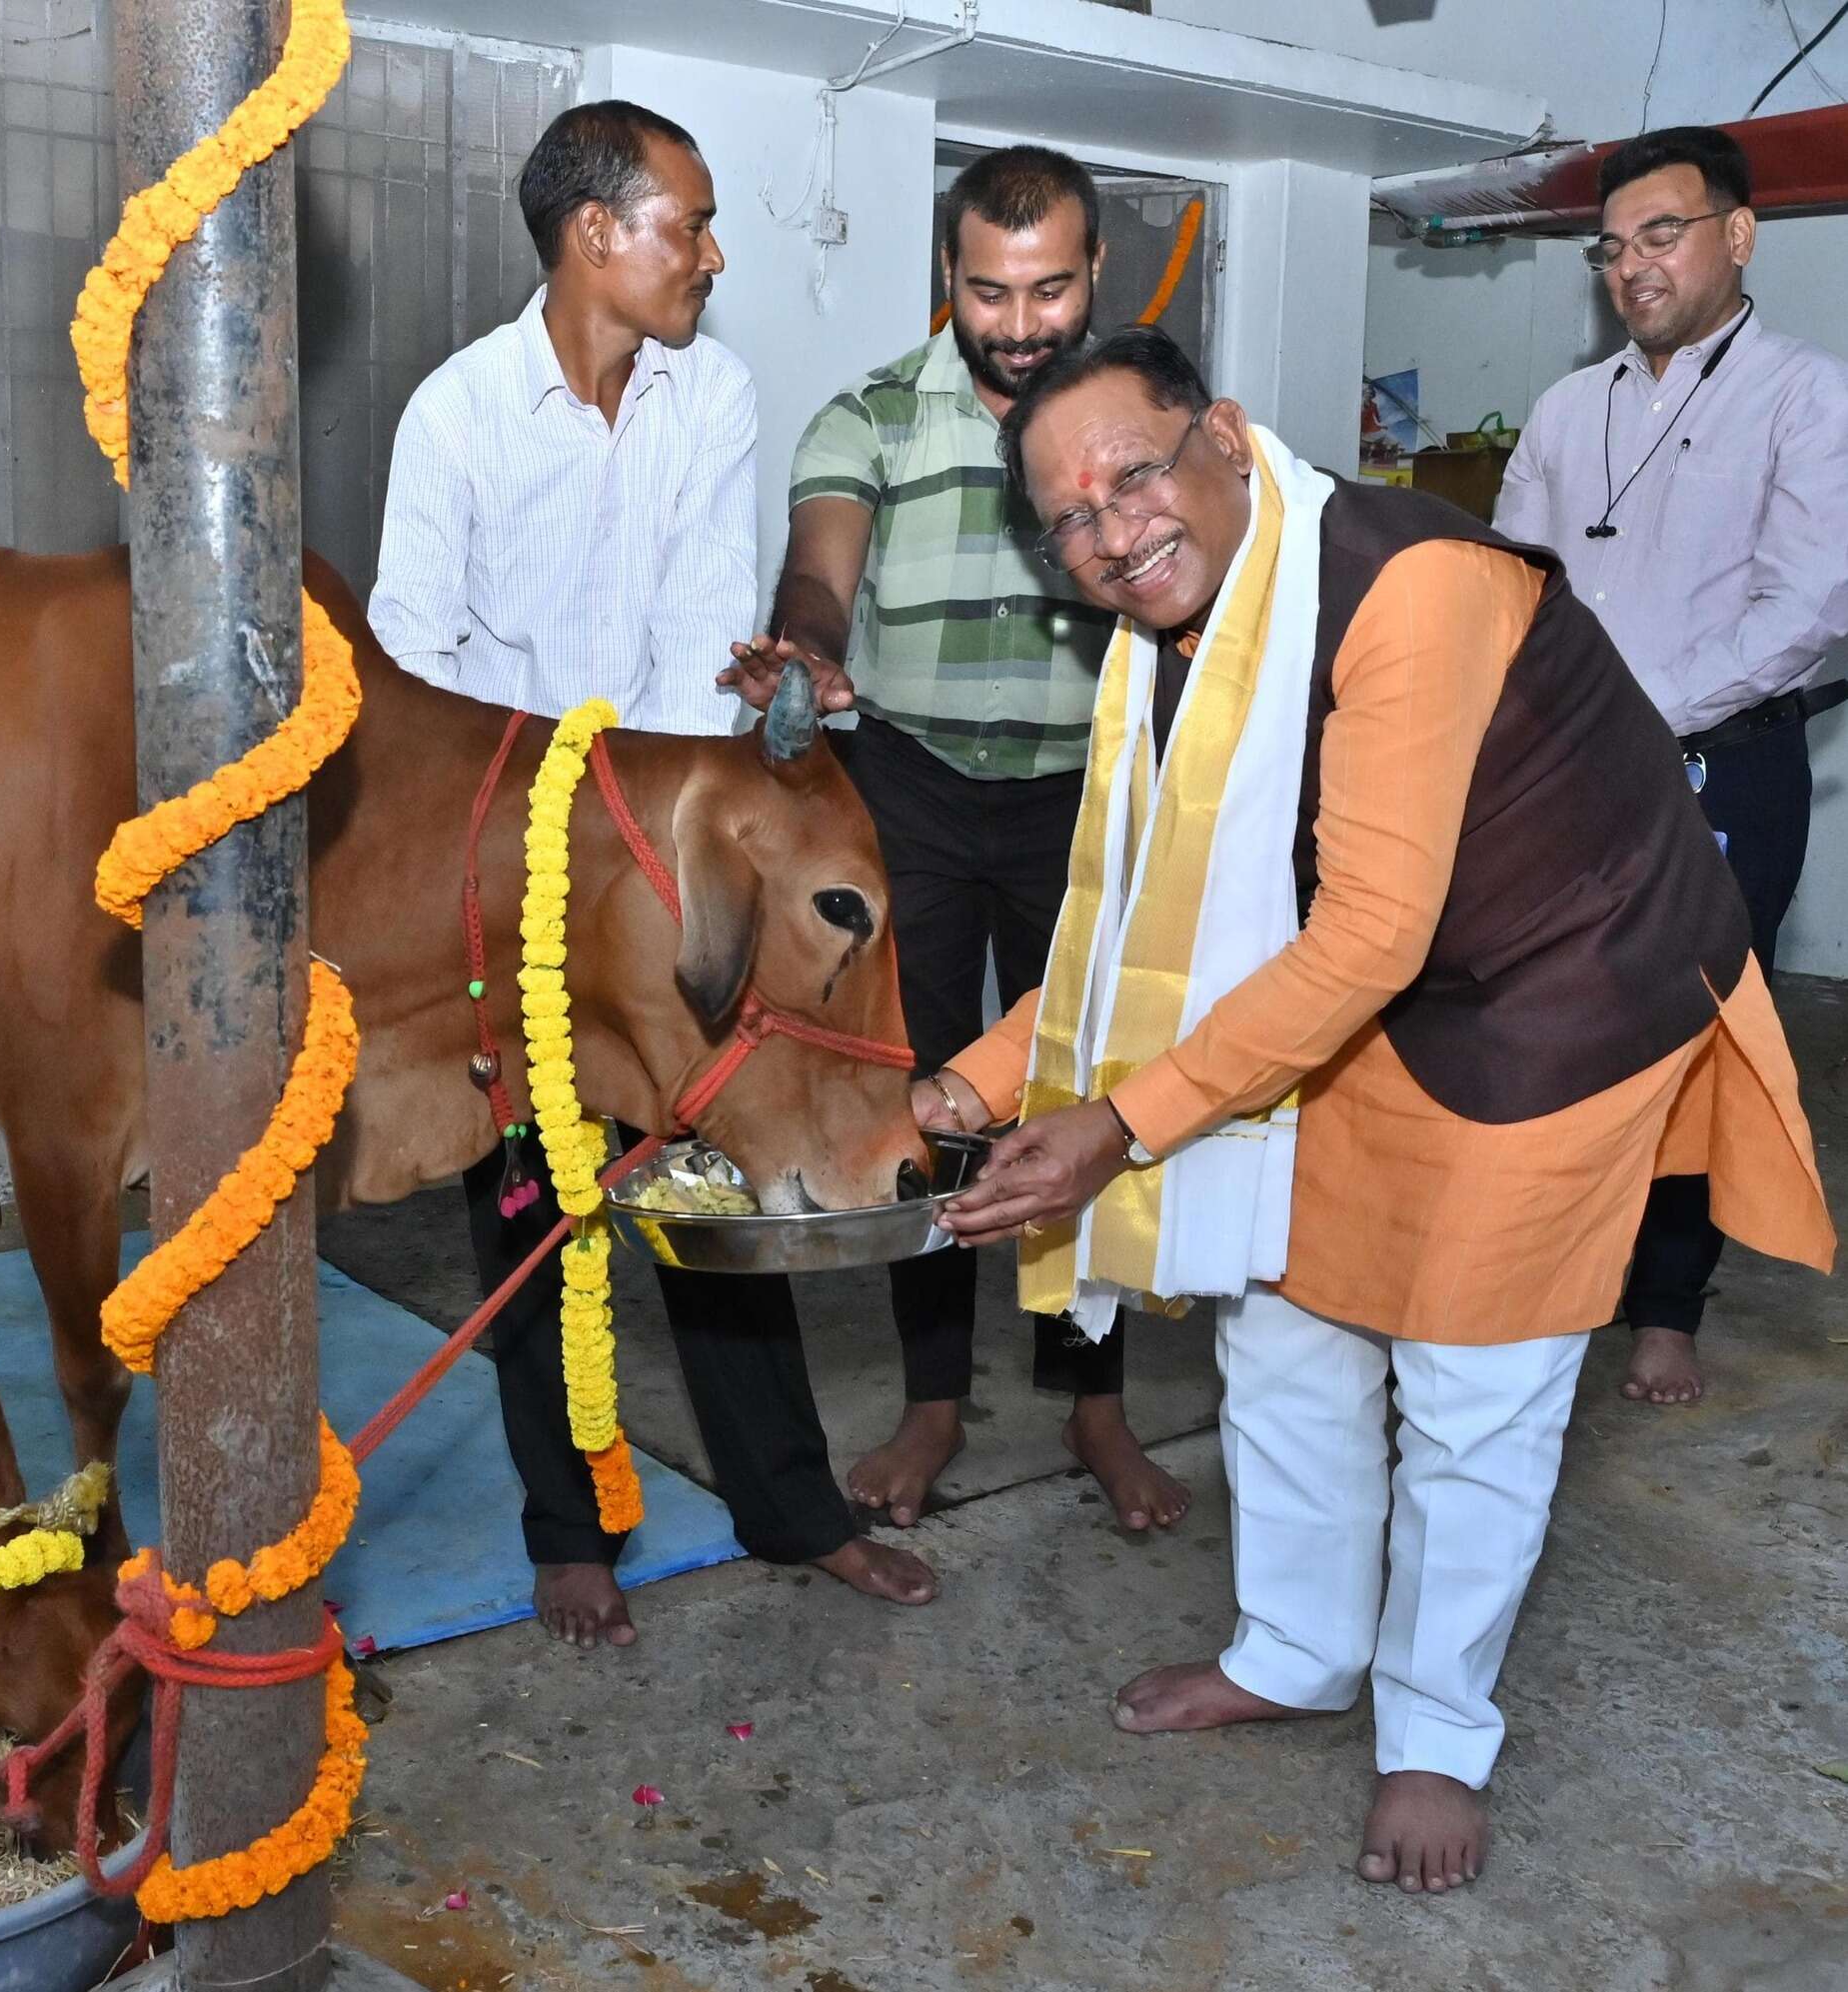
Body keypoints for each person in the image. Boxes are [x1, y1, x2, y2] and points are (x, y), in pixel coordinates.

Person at [881, 326, 1828, 1891]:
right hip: (1350, 994)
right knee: (1285, 1320)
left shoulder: (1412, 584)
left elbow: (1373, 932)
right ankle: (1298, 1649)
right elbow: (1141, 938)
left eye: (1133, 475)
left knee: (1474, 1377)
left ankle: (1438, 1731)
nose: (1114, 533)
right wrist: (959, 1090)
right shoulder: (1175, 641)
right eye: (1071, 519)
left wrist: (1121, 1125)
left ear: (1225, 434)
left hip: (1559, 988)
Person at [368, 99, 936, 1650]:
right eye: (689, 222)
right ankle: (570, 1529)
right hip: (508, 874)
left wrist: (711, 796)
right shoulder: (458, 414)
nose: (712, 254)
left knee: (715, 1190)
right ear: (592, 234)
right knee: (529, 1214)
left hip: (666, 862)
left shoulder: (715, 395)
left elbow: (696, 645)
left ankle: (793, 1509)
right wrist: (548, 846)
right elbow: (414, 670)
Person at [727, 146, 1183, 1536]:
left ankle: (1093, 1399)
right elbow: (820, 569)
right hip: (910, 789)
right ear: (949, 274)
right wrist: (806, 646)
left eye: (1051, 290)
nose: (1022, 324)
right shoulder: (869, 416)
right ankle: (934, 1401)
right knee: (918, 1100)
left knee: (1085, 1091)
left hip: (1085, 795)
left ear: (1096, 270)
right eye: (990, 292)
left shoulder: (1143, 428)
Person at [1494, 125, 1848, 1408]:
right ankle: (1556, 1262)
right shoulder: (1566, 406)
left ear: (1737, 236)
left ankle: (1666, 1304)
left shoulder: (1805, 396)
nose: (1631, 265)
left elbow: (1808, 606)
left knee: (1696, 1035)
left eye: (1661, 233)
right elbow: (1510, 584)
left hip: (1724, 768)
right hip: (1560, 771)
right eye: (1610, 246)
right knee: (1549, 1019)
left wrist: (1638, 712)